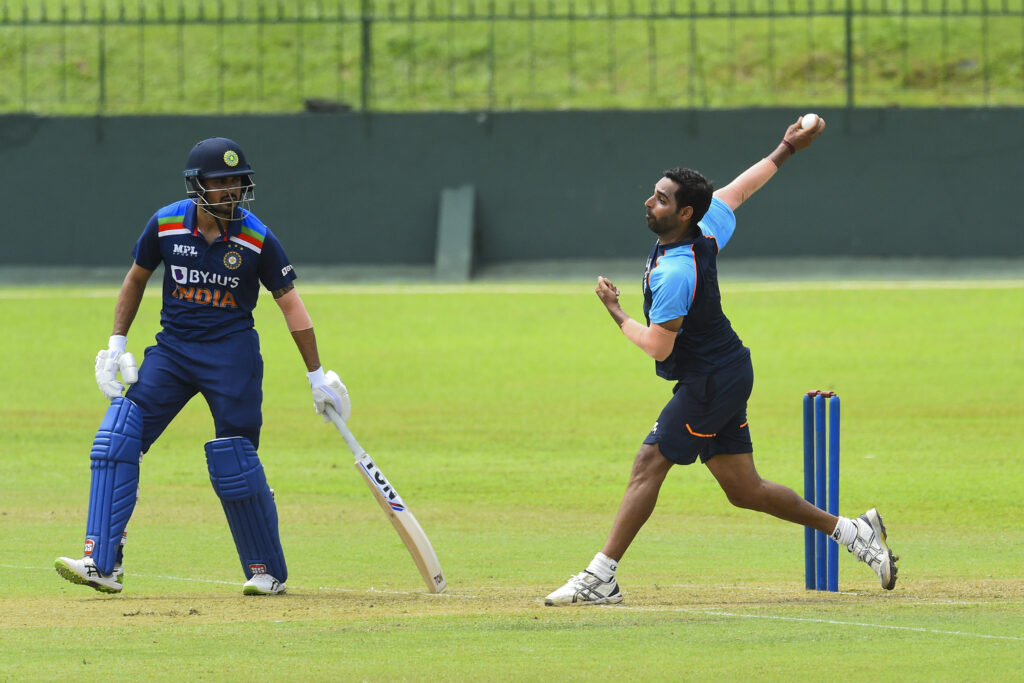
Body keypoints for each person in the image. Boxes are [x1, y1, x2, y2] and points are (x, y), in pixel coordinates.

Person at [544, 117, 899, 606]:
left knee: (649, 461)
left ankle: (600, 576)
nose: (650, 202)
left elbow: (657, 347)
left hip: (711, 379)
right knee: (745, 490)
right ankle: (852, 531)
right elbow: (740, 190)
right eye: (654, 193)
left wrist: (615, 312)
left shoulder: (676, 273)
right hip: (724, 371)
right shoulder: (704, 227)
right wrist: (786, 148)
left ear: (685, 212)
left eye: (662, 198)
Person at [55, 137, 350, 596]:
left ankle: (266, 572)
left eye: (237, 181)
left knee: (235, 461)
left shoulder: (256, 237)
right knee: (117, 437)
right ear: (198, 187)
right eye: (220, 182)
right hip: (172, 352)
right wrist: (115, 346)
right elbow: (136, 279)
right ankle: (102, 563)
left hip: (231, 357)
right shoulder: (166, 223)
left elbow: (291, 306)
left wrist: (317, 376)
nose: (231, 191)